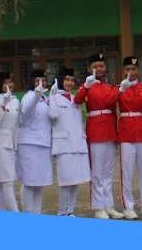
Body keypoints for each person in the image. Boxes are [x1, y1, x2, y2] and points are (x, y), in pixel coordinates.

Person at [75, 53, 122, 219]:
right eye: (96, 66)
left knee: (108, 171)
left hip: (109, 128)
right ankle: (98, 207)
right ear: (90, 69)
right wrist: (86, 87)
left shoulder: (108, 86)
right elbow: (77, 100)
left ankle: (108, 205)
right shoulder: (87, 86)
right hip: (95, 130)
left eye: (102, 66)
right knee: (97, 172)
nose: (100, 69)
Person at [117, 56, 142, 219]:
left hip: (141, 131)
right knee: (126, 173)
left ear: (138, 71)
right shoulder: (119, 89)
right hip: (126, 132)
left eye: (133, 69)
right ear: (123, 71)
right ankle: (128, 206)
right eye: (127, 69)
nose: (131, 72)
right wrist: (121, 90)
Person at [49, 68, 91, 217]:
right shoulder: (54, 97)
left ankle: (70, 211)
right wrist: (52, 96)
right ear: (60, 81)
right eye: (67, 79)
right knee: (66, 182)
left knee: (76, 181)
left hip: (78, 143)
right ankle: (61, 213)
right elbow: (53, 115)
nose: (70, 83)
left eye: (72, 80)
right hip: (64, 145)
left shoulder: (75, 98)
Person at [17, 69, 54, 214]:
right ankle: (29, 212)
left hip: (44, 143)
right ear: (32, 82)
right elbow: (25, 110)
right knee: (29, 181)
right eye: (38, 80)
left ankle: (37, 212)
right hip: (29, 144)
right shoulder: (29, 96)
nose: (41, 83)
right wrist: (37, 94)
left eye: (43, 80)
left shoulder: (45, 99)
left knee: (40, 182)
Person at [0, 71, 21, 211]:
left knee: (3, 182)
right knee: (6, 182)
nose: (9, 85)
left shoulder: (15, 100)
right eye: (6, 83)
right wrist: (3, 103)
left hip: (12, 144)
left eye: (11, 82)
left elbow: (18, 124)